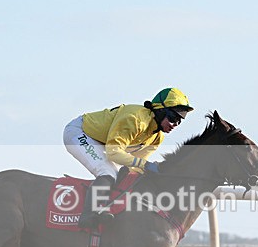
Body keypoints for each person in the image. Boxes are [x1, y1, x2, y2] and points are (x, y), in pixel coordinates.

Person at [63, 87, 194, 228]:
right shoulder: (135, 119)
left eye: (180, 121)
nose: (175, 124)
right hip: (80, 132)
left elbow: (134, 166)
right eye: (173, 118)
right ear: (160, 110)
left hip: (102, 142)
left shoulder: (156, 137)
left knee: (123, 175)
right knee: (107, 172)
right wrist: (145, 165)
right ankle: (88, 215)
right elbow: (114, 152)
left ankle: (106, 208)